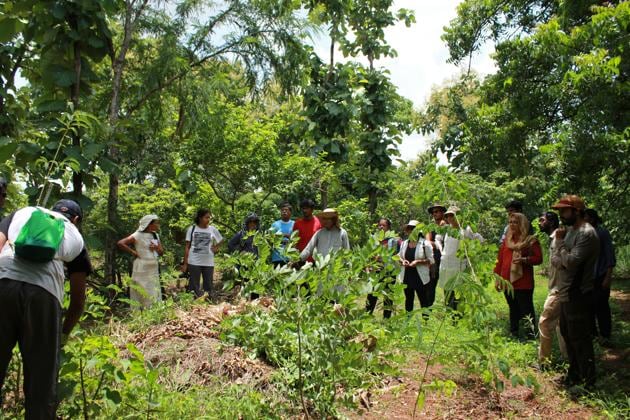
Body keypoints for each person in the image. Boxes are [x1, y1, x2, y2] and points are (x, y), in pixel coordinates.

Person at [0, 199, 92, 418]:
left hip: (2, 284)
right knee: (41, 380)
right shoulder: (75, 236)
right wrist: (63, 333)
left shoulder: (23, 213)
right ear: (76, 219)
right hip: (44, 296)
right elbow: (79, 300)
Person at [551, 195, 600, 391]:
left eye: (564, 211)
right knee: (567, 333)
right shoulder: (569, 232)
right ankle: (575, 374)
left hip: (578, 292)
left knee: (580, 337)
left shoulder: (586, 233)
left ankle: (589, 382)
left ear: (577, 211)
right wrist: (562, 253)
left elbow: (571, 262)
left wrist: (561, 247)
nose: (561, 215)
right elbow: (556, 261)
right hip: (566, 291)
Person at [494, 212, 542, 339]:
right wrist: (497, 278)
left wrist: (524, 260)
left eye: (515, 222)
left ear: (522, 223)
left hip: (523, 282)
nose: (512, 224)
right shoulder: (507, 241)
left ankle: (531, 335)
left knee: (526, 310)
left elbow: (538, 258)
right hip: (506, 281)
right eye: (510, 222)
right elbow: (500, 260)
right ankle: (514, 333)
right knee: (513, 308)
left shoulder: (530, 240)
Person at [537, 211, 568, 366]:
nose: (539, 223)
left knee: (544, 322)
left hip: (559, 289)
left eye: (542, 220)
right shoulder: (554, 239)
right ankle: (568, 361)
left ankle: (544, 362)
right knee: (560, 325)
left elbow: (565, 263)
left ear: (551, 222)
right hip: (557, 288)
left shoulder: (558, 239)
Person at [440, 206, 483, 312]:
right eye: (448, 216)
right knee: (447, 290)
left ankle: (459, 314)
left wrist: (470, 254)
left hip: (459, 265)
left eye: (452, 215)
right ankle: (450, 314)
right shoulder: (448, 229)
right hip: (446, 265)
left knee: (459, 292)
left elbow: (479, 240)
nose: (450, 218)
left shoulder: (466, 229)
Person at [118, 215, 164, 309]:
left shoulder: (155, 235)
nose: (158, 225)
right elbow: (121, 243)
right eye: (156, 223)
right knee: (141, 288)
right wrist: (133, 252)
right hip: (141, 267)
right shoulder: (137, 235)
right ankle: (140, 312)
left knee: (152, 289)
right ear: (149, 224)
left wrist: (156, 248)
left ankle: (153, 310)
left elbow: (161, 252)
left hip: (153, 267)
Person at [584, 209, 616, 344]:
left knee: (601, 307)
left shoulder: (602, 233)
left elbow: (610, 256)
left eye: (584, 217)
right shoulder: (584, 234)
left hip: (600, 276)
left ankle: (605, 335)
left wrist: (607, 277)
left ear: (591, 219)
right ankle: (593, 335)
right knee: (589, 307)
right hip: (588, 278)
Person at [182, 209, 223, 298]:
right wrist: (185, 264)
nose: (208, 219)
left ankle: (208, 301)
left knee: (208, 285)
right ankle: (193, 303)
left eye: (209, 217)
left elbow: (221, 240)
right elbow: (187, 247)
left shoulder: (212, 229)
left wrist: (216, 247)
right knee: (194, 285)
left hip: (208, 262)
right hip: (194, 261)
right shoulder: (192, 229)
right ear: (200, 218)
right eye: (206, 217)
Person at [398, 220, 434, 314]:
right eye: (409, 229)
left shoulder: (425, 244)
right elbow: (399, 256)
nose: (411, 231)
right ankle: (408, 318)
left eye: (413, 229)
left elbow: (431, 260)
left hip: (420, 276)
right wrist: (402, 261)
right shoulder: (404, 243)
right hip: (407, 275)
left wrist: (418, 262)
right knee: (408, 298)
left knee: (423, 299)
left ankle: (426, 320)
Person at [366, 218, 398, 319]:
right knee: (372, 294)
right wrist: (368, 267)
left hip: (388, 271)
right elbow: (368, 254)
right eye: (379, 225)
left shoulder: (392, 240)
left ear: (388, 227)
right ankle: (367, 315)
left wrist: (382, 257)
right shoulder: (373, 239)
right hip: (375, 270)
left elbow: (393, 255)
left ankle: (386, 318)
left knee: (388, 295)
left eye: (383, 225)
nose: (380, 227)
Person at [228, 213, 261, 299]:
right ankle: (240, 304)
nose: (253, 224)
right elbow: (230, 244)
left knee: (255, 285)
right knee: (241, 284)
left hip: (255, 264)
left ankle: (255, 303)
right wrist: (239, 253)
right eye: (251, 222)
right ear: (247, 223)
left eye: (254, 222)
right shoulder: (242, 234)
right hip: (243, 264)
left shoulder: (259, 235)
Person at [425, 203, 447, 307]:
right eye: (433, 212)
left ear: (443, 212)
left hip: (447, 259)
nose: (435, 214)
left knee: (447, 285)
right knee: (431, 286)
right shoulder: (430, 227)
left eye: (437, 211)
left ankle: (451, 311)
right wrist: (437, 244)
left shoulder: (448, 226)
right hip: (434, 259)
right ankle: (427, 312)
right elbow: (428, 242)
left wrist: (435, 244)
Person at [270, 203, 294, 268]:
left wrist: (288, 236)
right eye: (282, 210)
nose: (284, 211)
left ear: (290, 212)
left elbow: (297, 240)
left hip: (290, 258)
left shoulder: (294, 224)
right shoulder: (274, 224)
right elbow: (270, 239)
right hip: (277, 258)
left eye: (286, 210)